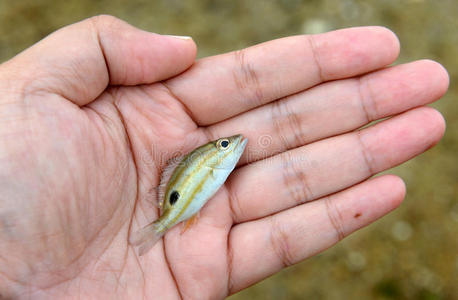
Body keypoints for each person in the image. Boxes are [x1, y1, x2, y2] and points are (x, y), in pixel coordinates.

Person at [0, 15, 448, 299]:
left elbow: (200, 175)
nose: (231, 146)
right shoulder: (214, 161)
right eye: (225, 145)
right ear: (220, 153)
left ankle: (163, 224)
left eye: (226, 146)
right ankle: (162, 225)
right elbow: (197, 173)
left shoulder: (218, 162)